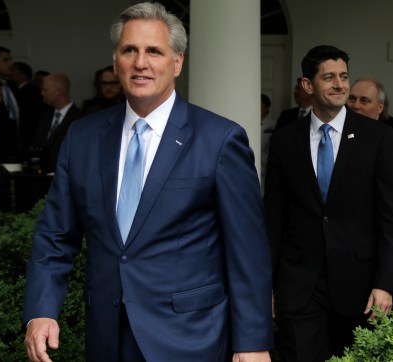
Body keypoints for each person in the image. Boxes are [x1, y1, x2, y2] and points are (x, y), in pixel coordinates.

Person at [23, 3, 273, 362]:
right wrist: (41, 310)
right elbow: (55, 236)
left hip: (191, 338)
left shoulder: (219, 140)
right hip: (107, 336)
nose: (141, 62)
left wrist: (252, 343)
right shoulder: (83, 138)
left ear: (177, 62)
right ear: (116, 61)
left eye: (154, 51)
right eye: (130, 50)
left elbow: (247, 251)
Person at [264, 45, 393, 361]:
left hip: (360, 288)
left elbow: (392, 218)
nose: (340, 85)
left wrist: (386, 284)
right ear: (307, 85)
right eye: (329, 77)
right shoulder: (286, 140)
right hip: (299, 286)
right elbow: (274, 217)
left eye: (343, 76)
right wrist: (268, 286)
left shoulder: (377, 138)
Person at [347, 77, 393, 271]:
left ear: (380, 108)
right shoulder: (334, 139)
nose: (356, 106)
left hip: (381, 243)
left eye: (364, 101)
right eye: (352, 99)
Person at [31, 72, 84, 174]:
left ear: (58, 90)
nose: (42, 93)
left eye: (45, 90)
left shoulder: (80, 119)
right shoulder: (44, 117)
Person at [10, 61, 46, 152]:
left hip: (28, 137)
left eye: (12, 72)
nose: (9, 74)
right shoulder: (24, 91)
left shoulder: (29, 91)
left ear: (22, 74)